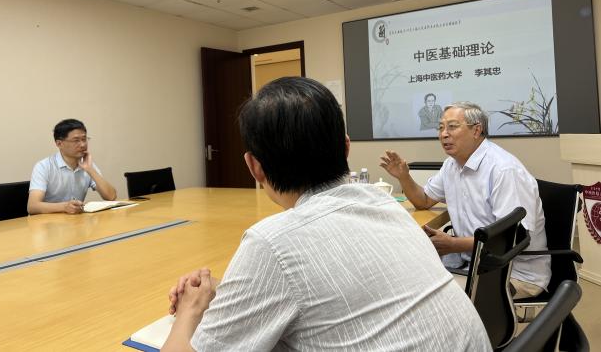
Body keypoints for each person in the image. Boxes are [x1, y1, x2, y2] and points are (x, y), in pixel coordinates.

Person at [162, 78, 490, 352]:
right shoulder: (385, 204)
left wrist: (191, 309)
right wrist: (228, 291)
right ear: (346, 147)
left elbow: (288, 270)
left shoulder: (272, 242)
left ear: (254, 167)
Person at [381, 101, 550, 299]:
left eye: (452, 127)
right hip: (472, 264)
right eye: (441, 128)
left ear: (476, 130)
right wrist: (404, 177)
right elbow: (424, 200)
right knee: (407, 280)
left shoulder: (503, 170)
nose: (444, 134)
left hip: (513, 273)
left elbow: (513, 238)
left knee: (426, 297)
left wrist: (454, 244)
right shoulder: (451, 165)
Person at [27, 119, 117, 214]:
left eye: (84, 139)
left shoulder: (87, 164)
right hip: (48, 221)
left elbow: (111, 197)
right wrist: (64, 207)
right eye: (76, 140)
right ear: (59, 144)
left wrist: (90, 169)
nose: (82, 144)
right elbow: (32, 206)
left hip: (76, 220)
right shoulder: (44, 166)